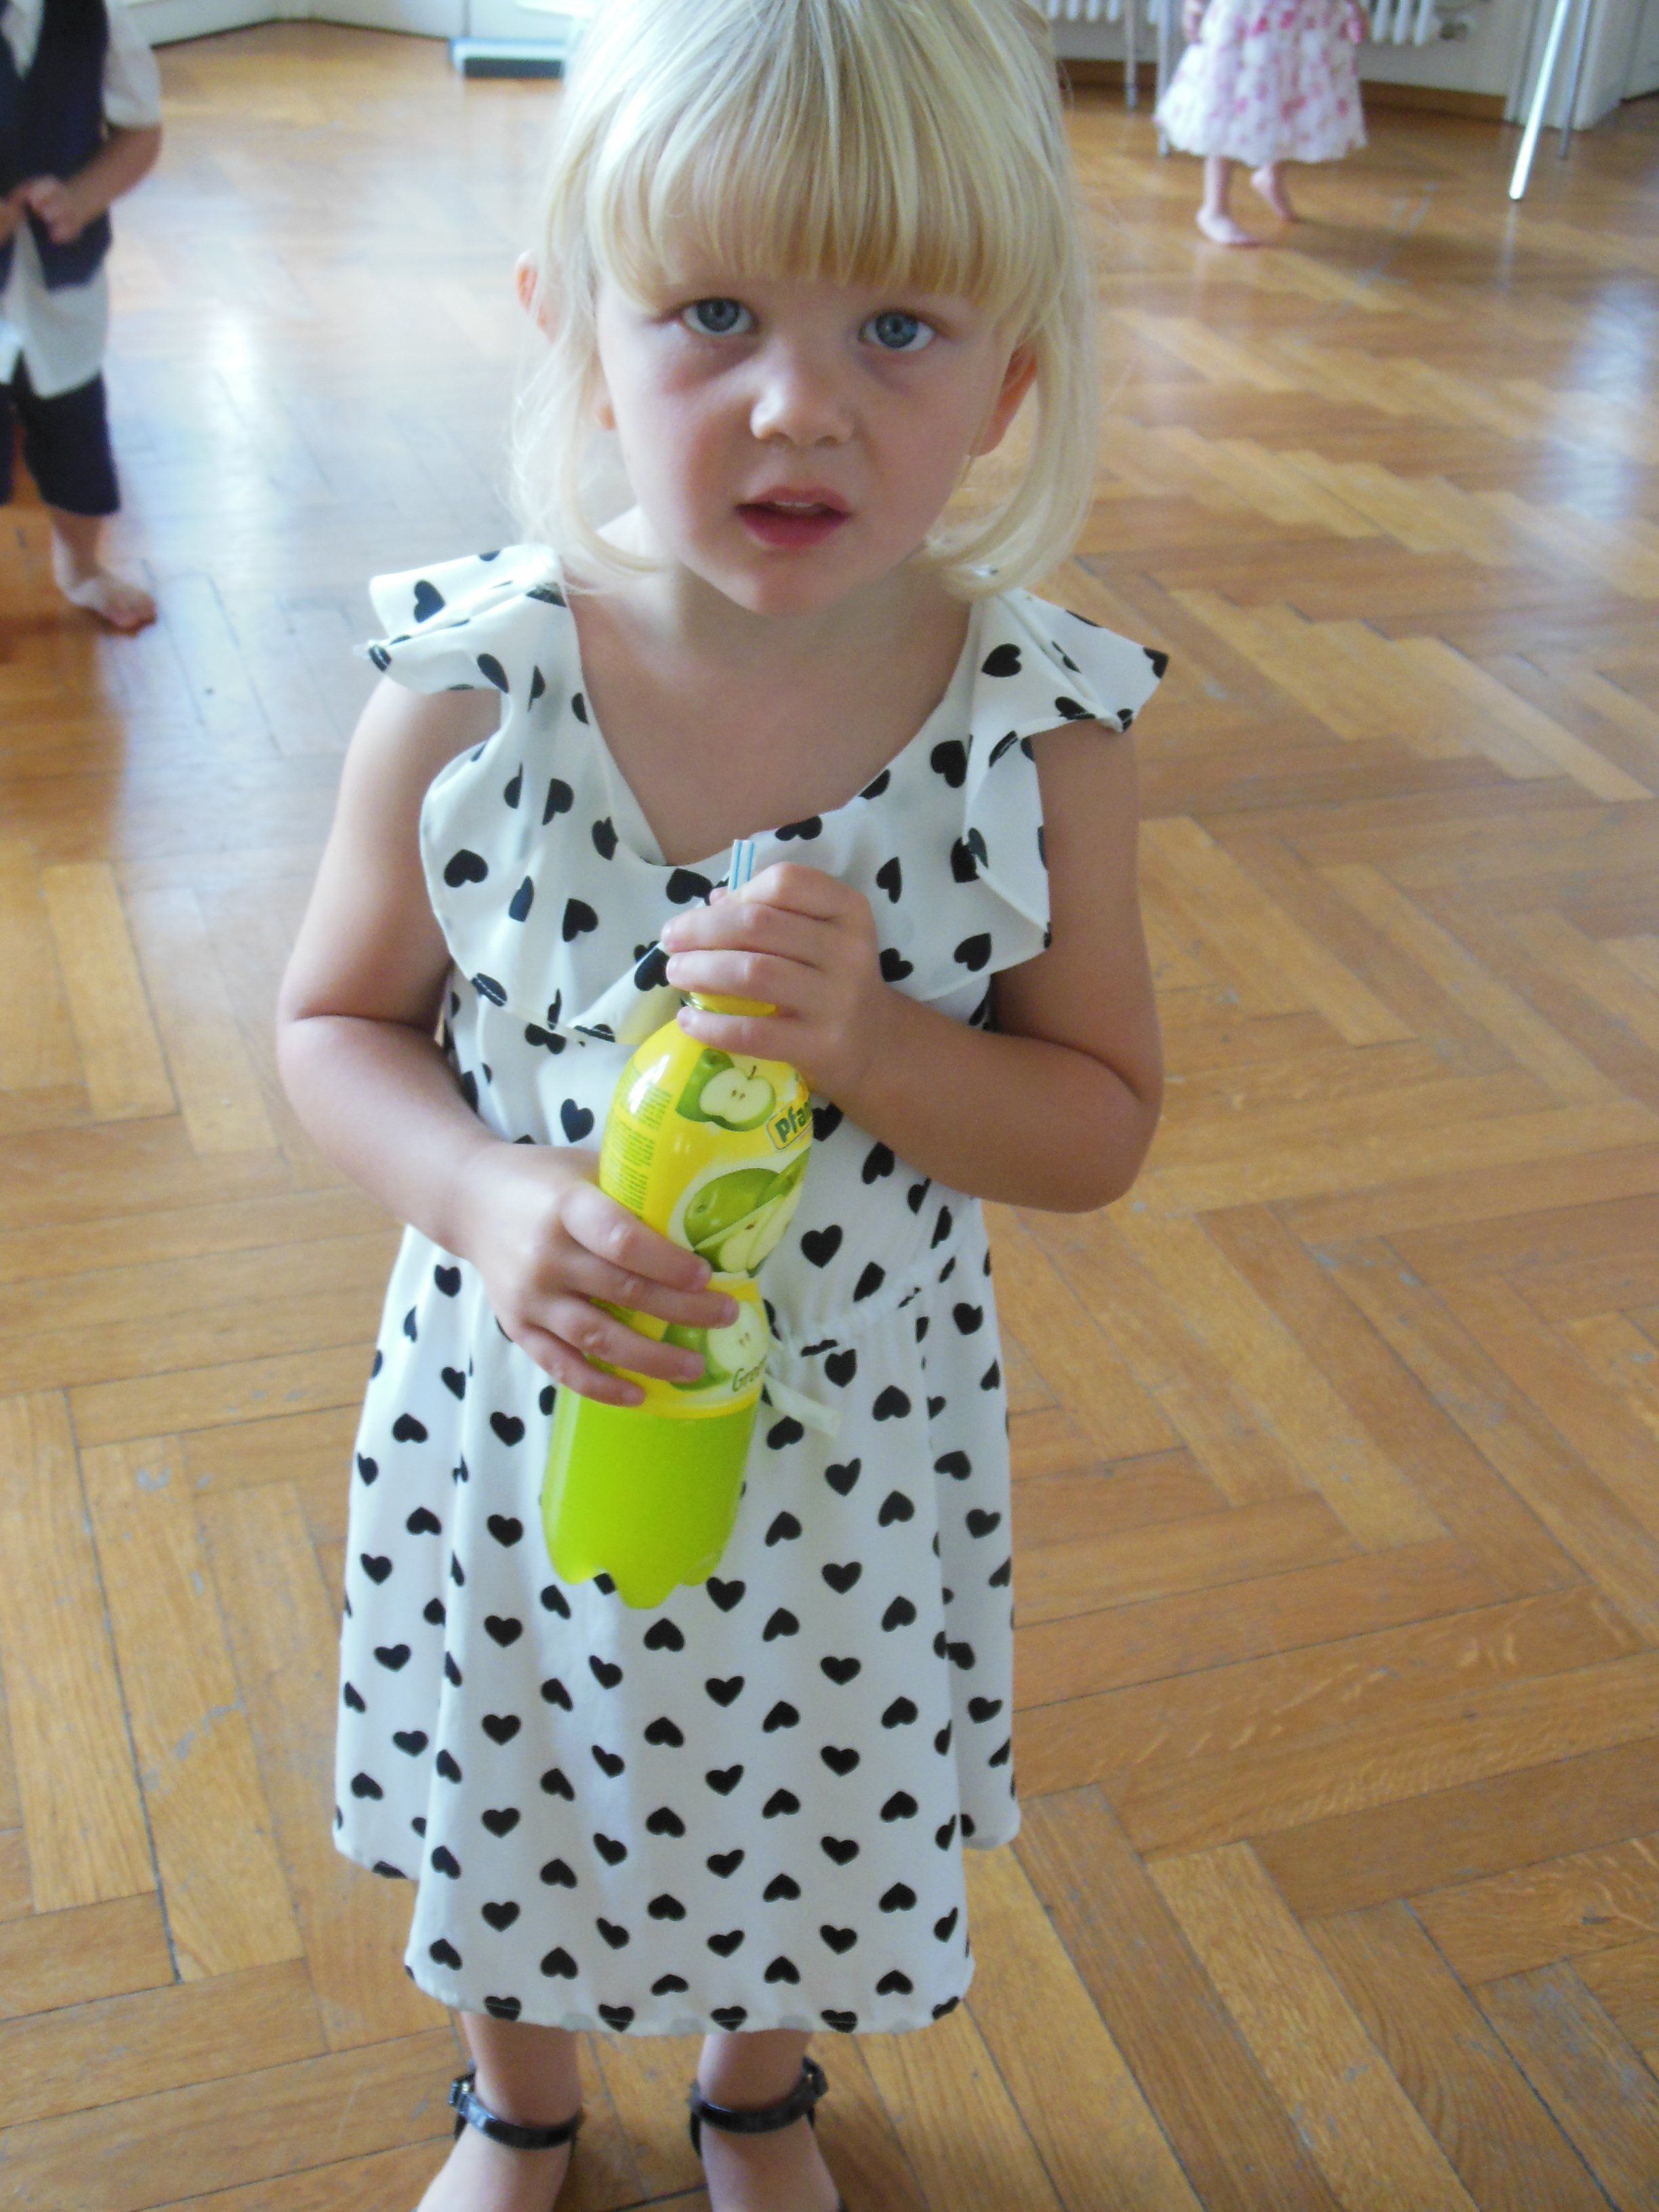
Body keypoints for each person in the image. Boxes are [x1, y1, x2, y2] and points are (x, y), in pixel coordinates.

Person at [275, 1, 1166, 2206]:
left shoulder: (1035, 735)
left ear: (1008, 380)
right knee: (516, 1766)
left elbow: (1095, 1125)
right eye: (710, 315)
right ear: (574, 329)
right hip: (523, 1396)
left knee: (806, 1788)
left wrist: (883, 1048)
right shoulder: (471, 694)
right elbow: (330, 1028)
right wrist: (482, 1192)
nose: (797, 403)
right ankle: (521, 2099)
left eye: (895, 327)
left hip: (847, 1439)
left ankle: (756, 2086)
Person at [0, 0, 161, 629]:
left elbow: (140, 131)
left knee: (75, 436)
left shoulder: (93, 14)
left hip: (58, 290)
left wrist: (84, 196)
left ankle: (82, 564)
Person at [1155, 0, 1367, 245]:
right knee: (1233, 103)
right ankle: (1215, 208)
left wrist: (1353, 6)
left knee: (1294, 96)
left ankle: (1271, 176)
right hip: (1248, 15)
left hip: (1308, 16)